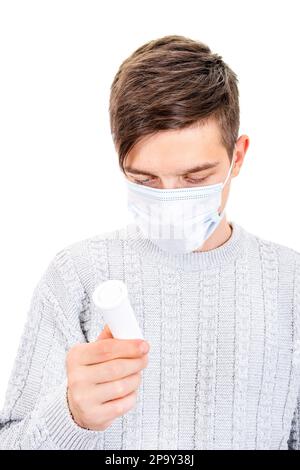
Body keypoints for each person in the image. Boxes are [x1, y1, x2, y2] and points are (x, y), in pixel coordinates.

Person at [0, 34, 299, 450]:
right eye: (145, 181)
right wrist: (71, 416)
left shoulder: (291, 284)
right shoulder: (77, 275)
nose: (172, 199)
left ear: (239, 156)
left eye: (195, 178)